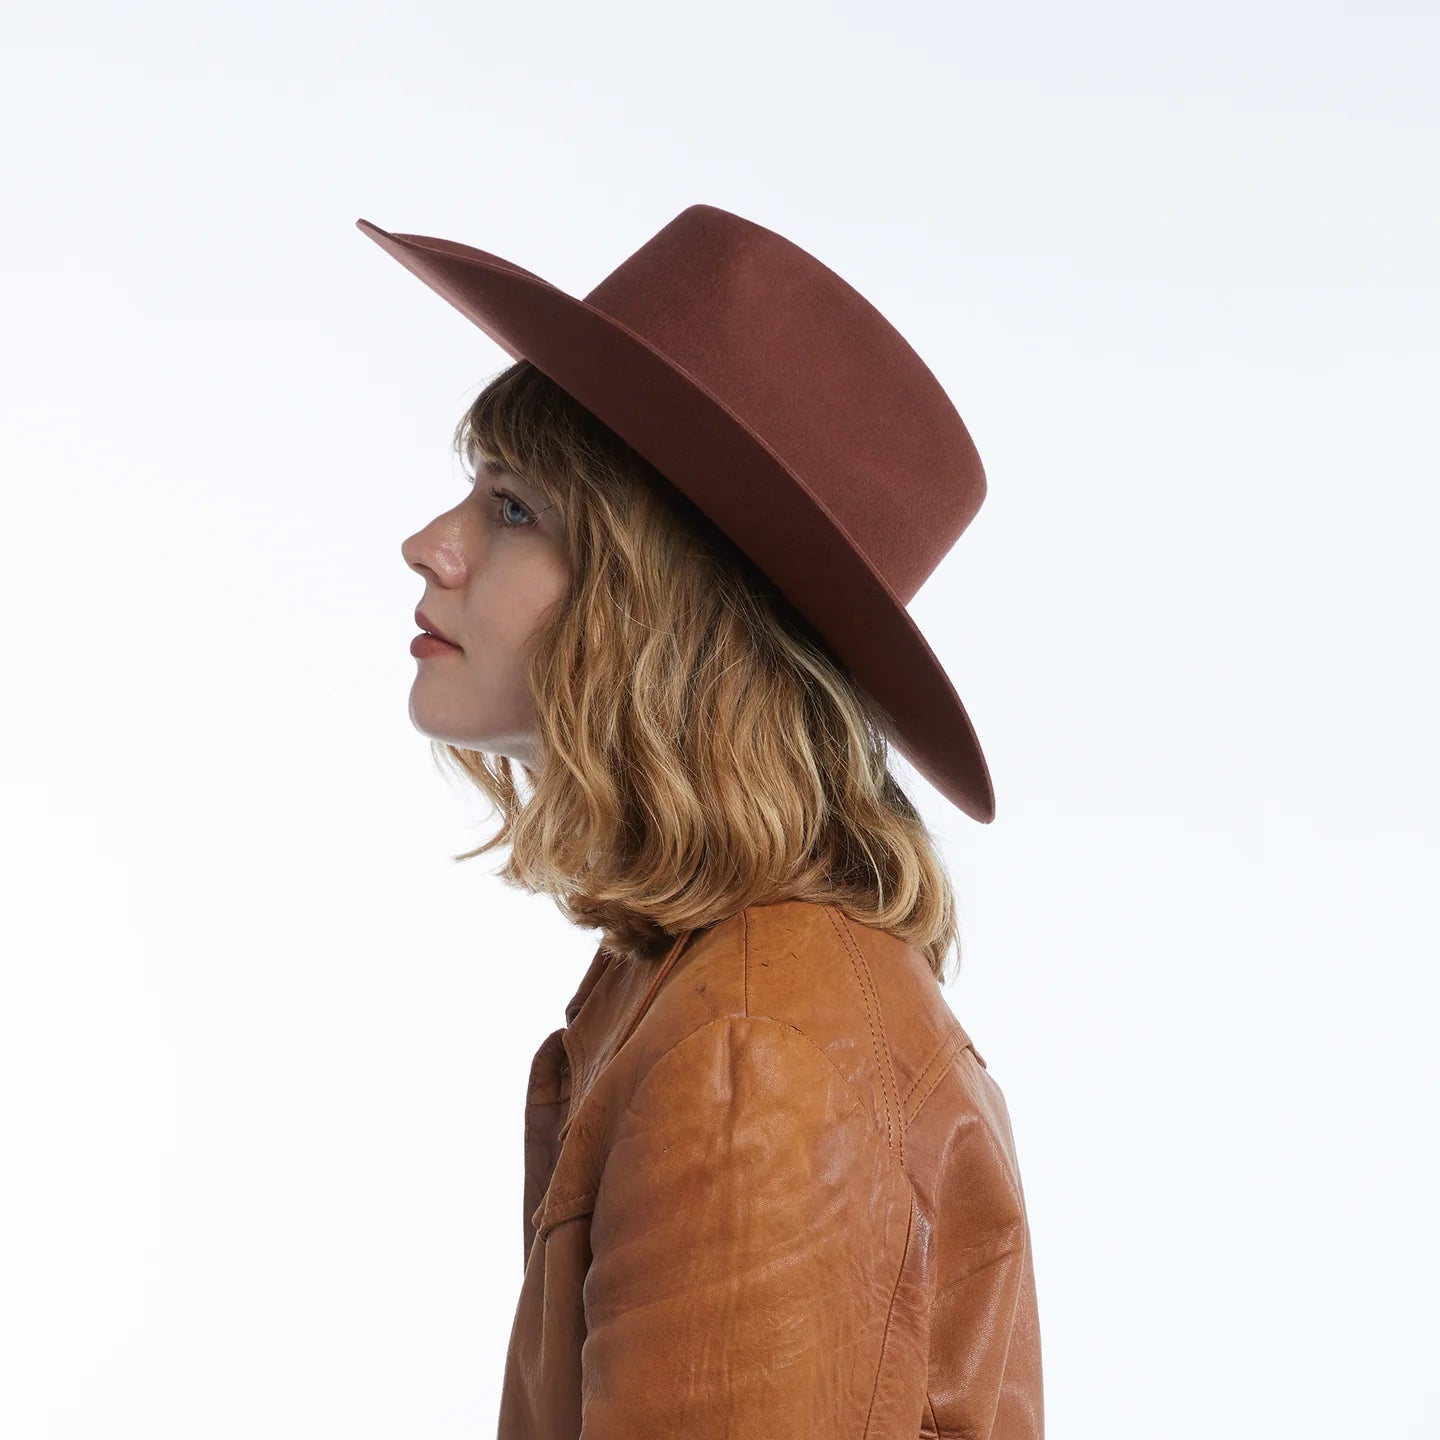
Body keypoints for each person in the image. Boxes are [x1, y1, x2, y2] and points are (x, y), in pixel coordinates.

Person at [370, 205, 1044, 1438]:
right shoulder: (712, 991)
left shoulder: (752, 1058)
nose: (427, 546)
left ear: (661, 608)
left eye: (512, 509)